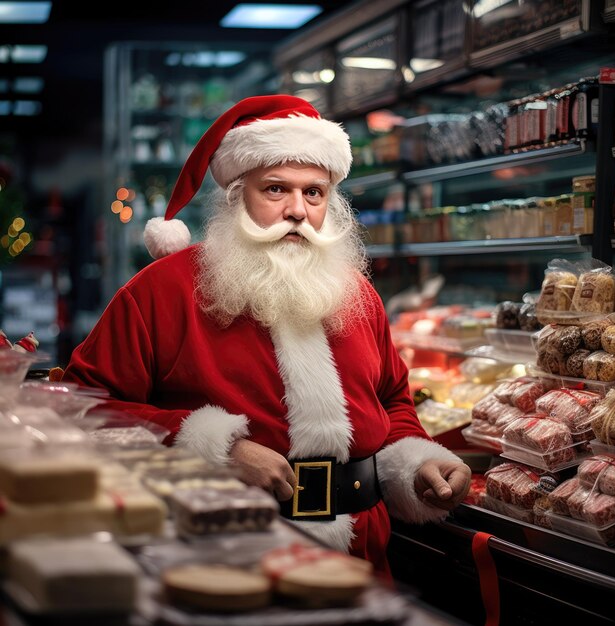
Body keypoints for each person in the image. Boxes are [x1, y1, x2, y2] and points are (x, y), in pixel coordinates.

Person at [62, 94, 471, 576]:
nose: (298, 210)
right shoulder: (161, 291)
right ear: (237, 195)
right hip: (218, 553)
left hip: (361, 554)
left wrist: (419, 460)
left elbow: (393, 402)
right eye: (276, 189)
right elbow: (80, 408)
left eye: (314, 193)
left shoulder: (357, 293)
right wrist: (217, 449)